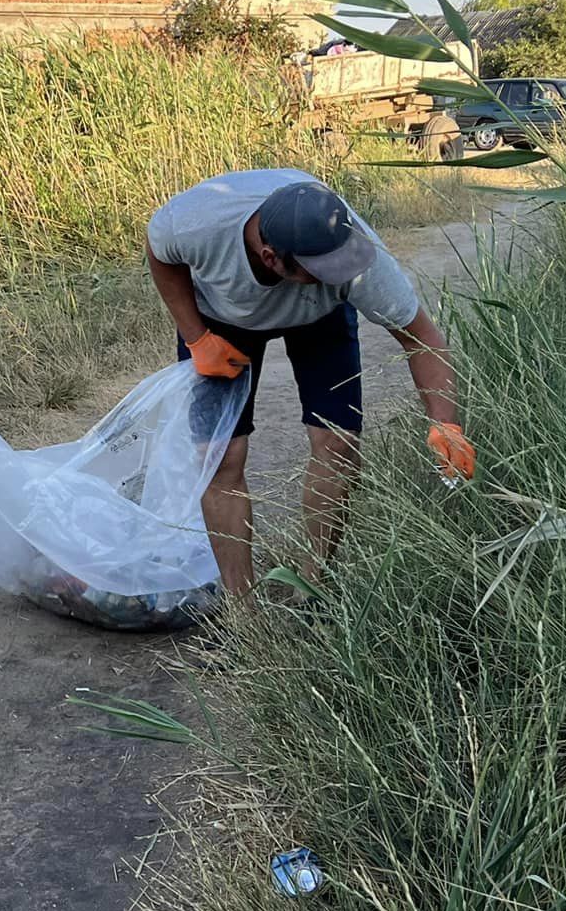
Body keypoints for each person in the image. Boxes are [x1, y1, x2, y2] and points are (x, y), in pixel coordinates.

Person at [145, 169, 473, 593]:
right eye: (323, 269)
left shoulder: (356, 260)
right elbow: (160, 253)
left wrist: (445, 423)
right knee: (220, 457)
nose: (339, 273)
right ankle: (242, 611)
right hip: (221, 319)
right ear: (270, 258)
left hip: (319, 319)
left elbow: (422, 338)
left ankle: (312, 588)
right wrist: (196, 338)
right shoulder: (196, 224)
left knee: (339, 444)